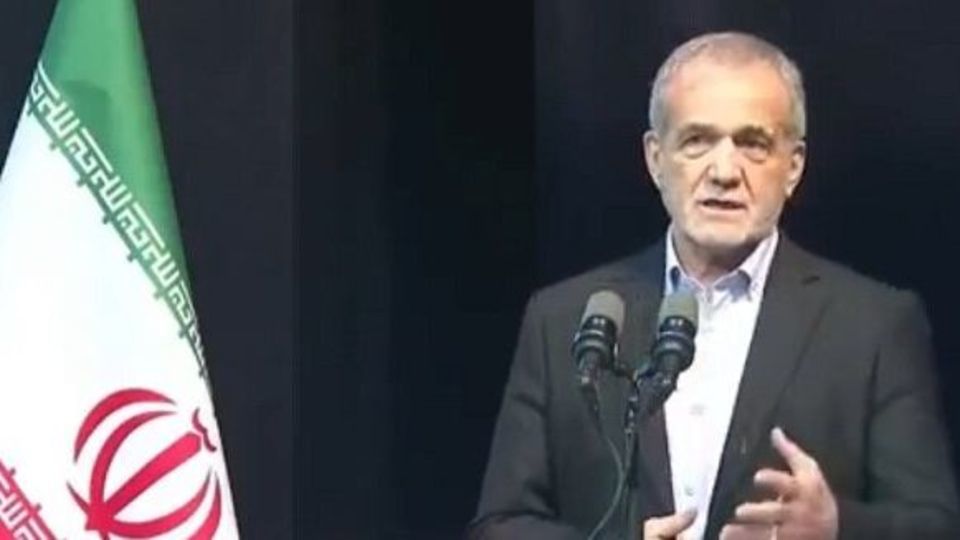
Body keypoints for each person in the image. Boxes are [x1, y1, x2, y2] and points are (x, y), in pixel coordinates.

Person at [468, 32, 959, 539]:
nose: (724, 172)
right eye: (697, 141)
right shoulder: (563, 318)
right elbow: (499, 525)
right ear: (656, 159)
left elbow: (935, 526)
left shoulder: (873, 326)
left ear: (793, 167)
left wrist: (835, 528)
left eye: (753, 144)